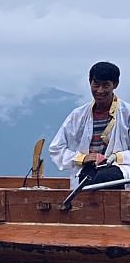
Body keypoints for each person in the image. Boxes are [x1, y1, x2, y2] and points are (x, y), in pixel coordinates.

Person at [49, 61, 130, 190]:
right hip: (88, 169)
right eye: (96, 85)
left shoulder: (127, 113)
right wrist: (82, 158)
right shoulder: (78, 115)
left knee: (105, 178)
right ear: (89, 82)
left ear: (115, 85)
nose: (100, 91)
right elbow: (56, 148)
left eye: (105, 86)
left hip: (121, 170)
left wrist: (118, 157)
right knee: (87, 180)